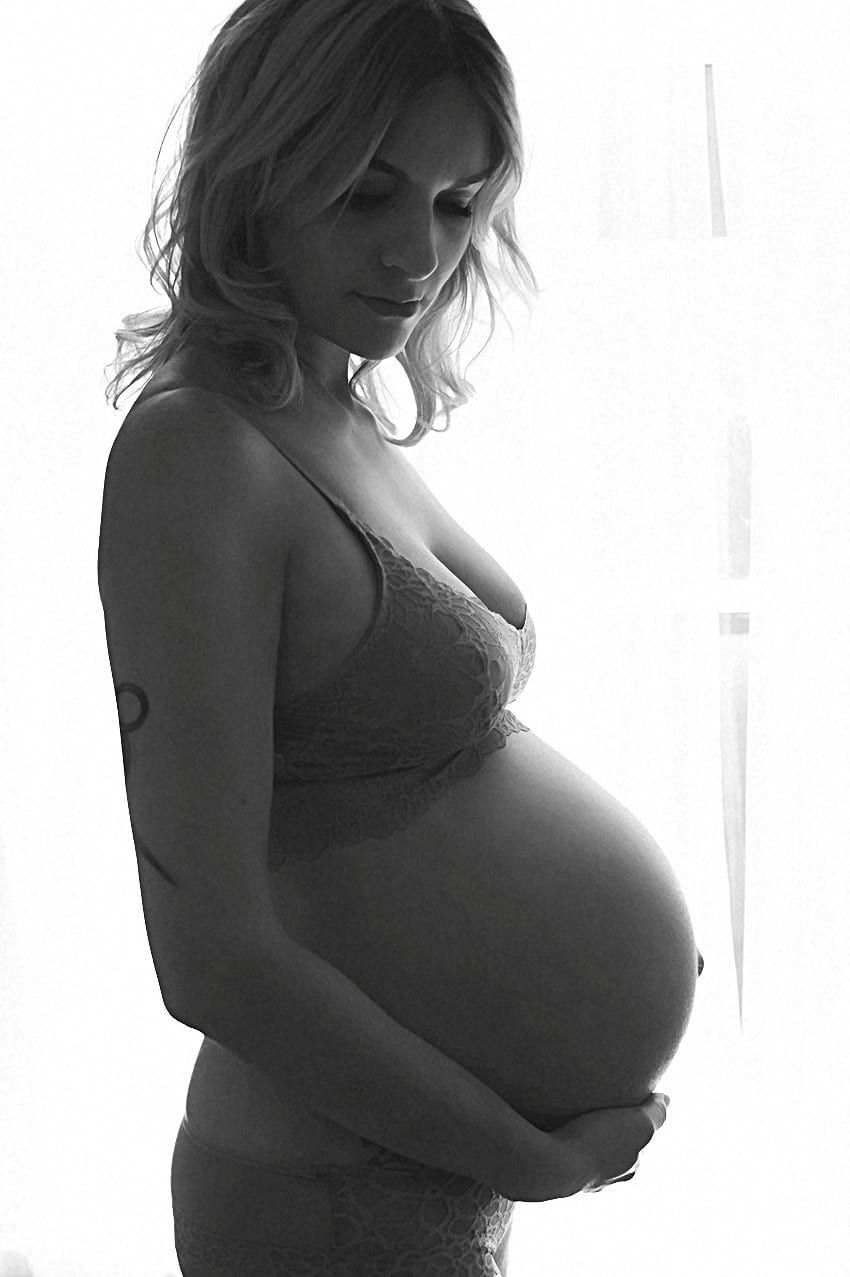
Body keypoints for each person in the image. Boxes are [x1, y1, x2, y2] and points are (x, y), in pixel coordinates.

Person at [98, 1, 703, 1272]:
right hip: (322, 1187)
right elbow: (208, 954)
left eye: (452, 201)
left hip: (415, 1159)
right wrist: (528, 1154)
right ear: (261, 178)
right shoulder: (195, 452)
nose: (417, 250)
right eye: (367, 193)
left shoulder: (337, 410)